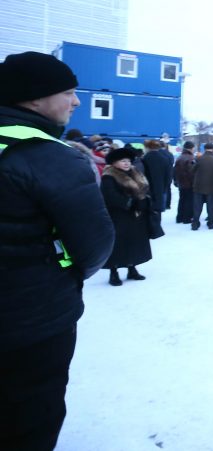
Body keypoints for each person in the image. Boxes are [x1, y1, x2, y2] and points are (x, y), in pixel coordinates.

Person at [0, 51, 114, 449]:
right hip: (29, 322)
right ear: (33, 99)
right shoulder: (48, 156)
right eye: (68, 92)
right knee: (27, 421)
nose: (77, 101)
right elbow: (95, 246)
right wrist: (63, 274)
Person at [100, 146, 154, 286]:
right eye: (123, 161)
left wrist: (144, 201)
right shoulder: (109, 176)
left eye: (128, 161)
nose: (127, 163)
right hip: (118, 216)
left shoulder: (135, 173)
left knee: (134, 243)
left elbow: (144, 190)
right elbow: (110, 196)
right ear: (114, 163)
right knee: (117, 245)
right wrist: (130, 203)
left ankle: (132, 268)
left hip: (136, 216)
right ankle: (114, 272)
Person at [192, 144, 213, 230]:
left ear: (204, 149)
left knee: (197, 206)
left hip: (198, 186)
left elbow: (192, 170)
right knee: (211, 205)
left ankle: (195, 223)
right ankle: (211, 223)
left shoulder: (199, 159)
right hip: (212, 186)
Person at [173, 141, 196, 224]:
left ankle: (179, 217)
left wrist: (175, 180)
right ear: (191, 148)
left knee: (182, 199)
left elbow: (175, 170)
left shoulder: (179, 157)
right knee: (189, 200)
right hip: (189, 183)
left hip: (181, 182)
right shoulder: (191, 158)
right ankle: (187, 218)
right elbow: (191, 172)